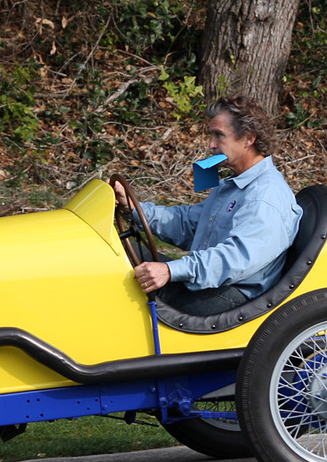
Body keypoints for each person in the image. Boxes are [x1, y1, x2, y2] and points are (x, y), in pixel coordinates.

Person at [113, 96, 302, 316]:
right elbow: (188, 223)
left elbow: (235, 259)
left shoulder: (265, 196)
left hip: (233, 298)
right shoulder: (233, 184)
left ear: (248, 138)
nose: (211, 144)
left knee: (123, 279)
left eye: (219, 135)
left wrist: (170, 270)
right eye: (211, 135)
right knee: (119, 252)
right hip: (212, 283)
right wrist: (133, 208)